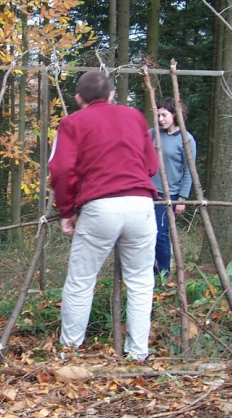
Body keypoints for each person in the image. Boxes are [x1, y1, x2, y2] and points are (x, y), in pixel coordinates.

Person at [48, 71, 159, 361]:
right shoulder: (134, 116)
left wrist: (66, 211)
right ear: (111, 95)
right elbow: (151, 165)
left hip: (100, 207)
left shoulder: (72, 123)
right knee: (141, 282)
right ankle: (138, 354)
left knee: (81, 281)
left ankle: (70, 351)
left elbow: (61, 170)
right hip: (141, 204)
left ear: (78, 98)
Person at [150, 97, 197, 277]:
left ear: (175, 115)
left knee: (160, 234)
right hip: (148, 190)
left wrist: (182, 199)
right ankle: (150, 269)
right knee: (145, 232)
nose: (161, 119)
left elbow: (188, 170)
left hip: (169, 193)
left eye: (164, 115)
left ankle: (163, 272)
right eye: (158, 115)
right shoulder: (154, 133)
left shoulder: (186, 140)